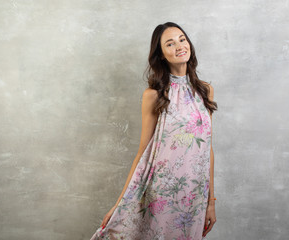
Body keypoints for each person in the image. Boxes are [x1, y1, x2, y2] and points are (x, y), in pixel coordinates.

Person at [90, 22, 218, 240]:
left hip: (193, 196)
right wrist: (120, 204)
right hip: (160, 194)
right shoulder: (154, 95)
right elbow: (143, 151)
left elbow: (207, 149)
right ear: (161, 55)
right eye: (170, 43)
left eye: (182, 39)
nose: (179, 46)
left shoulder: (205, 90)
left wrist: (210, 202)